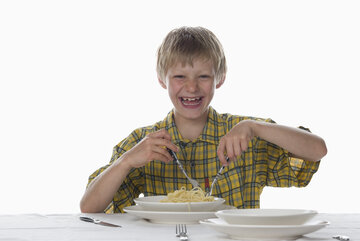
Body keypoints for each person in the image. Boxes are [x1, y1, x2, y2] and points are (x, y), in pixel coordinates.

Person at [80, 26, 327, 213]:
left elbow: (317, 150)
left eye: (203, 77)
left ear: (220, 78)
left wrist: (255, 127)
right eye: (179, 76)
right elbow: (89, 207)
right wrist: (125, 161)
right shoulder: (145, 143)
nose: (191, 87)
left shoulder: (245, 134)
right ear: (161, 79)